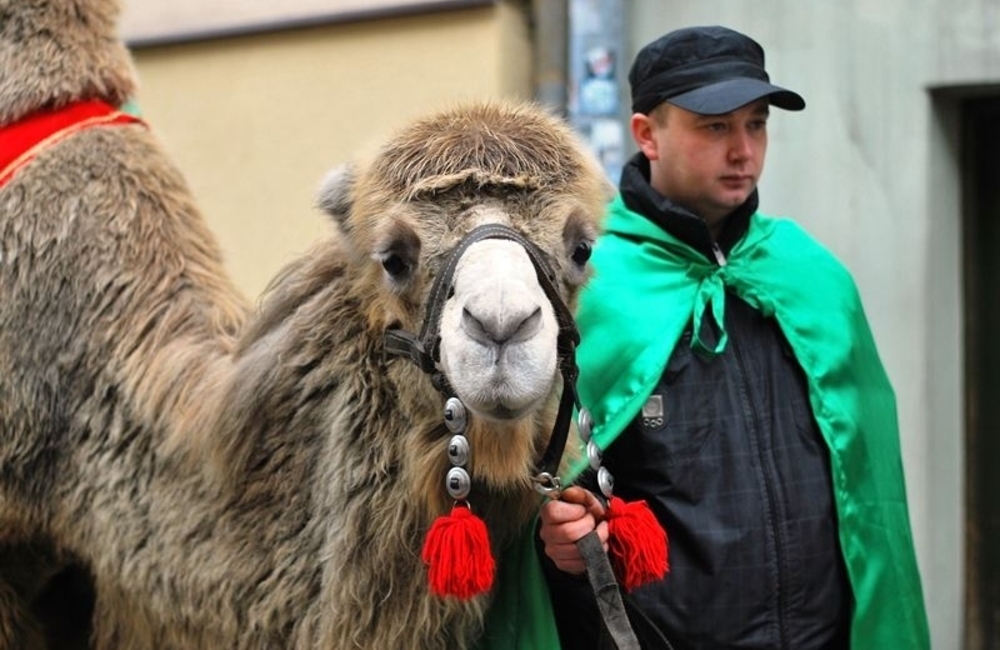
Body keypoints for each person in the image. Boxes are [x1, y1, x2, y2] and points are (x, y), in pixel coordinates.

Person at [536, 25, 931, 650]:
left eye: (756, 124)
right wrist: (555, 533)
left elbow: (869, 487)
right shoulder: (590, 286)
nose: (743, 150)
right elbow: (544, 485)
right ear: (647, 135)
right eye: (715, 127)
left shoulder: (810, 274)